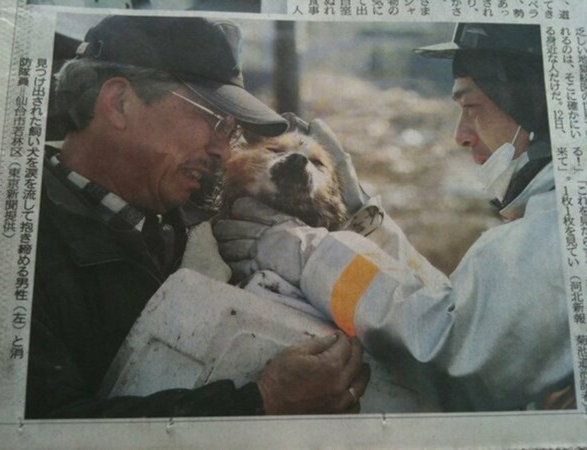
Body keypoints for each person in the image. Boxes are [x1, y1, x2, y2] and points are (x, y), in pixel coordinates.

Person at [215, 23, 575, 411]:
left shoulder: (554, 235)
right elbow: (454, 309)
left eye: (472, 107)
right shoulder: (548, 222)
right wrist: (367, 225)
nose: (461, 135)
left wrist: (304, 251)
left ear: (533, 106)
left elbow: (445, 350)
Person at [26, 15, 370, 418]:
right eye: (213, 120)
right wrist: (260, 403)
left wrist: (362, 220)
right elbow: (37, 428)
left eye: (231, 132)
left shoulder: (207, 218)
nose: (224, 152)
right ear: (119, 103)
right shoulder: (17, 245)